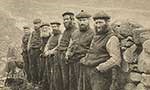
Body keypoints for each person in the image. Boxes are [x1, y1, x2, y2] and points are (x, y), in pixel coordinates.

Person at [80, 11, 121, 90]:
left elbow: (116, 59)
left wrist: (99, 68)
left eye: (100, 22)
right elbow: (93, 51)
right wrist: (85, 59)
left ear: (107, 23)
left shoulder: (112, 38)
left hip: (101, 75)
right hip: (89, 72)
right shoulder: (96, 36)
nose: (98, 25)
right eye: (96, 23)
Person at [65, 10, 94, 90]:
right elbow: (71, 45)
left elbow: (93, 49)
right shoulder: (75, 33)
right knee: (72, 83)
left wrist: (85, 59)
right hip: (73, 61)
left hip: (84, 63)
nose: (82, 23)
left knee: (82, 85)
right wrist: (68, 52)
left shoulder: (93, 33)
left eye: (84, 20)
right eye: (80, 20)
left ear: (89, 20)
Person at [54, 11, 76, 90]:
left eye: (67, 19)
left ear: (72, 19)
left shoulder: (75, 30)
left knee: (66, 77)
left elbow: (72, 44)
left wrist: (67, 54)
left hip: (66, 56)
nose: (65, 21)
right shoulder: (65, 31)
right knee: (58, 76)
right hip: (59, 55)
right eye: (64, 19)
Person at [44, 21, 62, 90]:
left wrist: (51, 52)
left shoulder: (60, 36)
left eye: (55, 27)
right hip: (48, 57)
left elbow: (58, 46)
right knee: (48, 73)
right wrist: (46, 51)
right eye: (52, 27)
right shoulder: (51, 36)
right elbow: (47, 44)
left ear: (58, 27)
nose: (54, 28)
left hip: (55, 57)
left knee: (55, 74)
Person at [27, 19, 42, 85]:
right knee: (32, 66)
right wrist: (29, 48)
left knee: (38, 66)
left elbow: (42, 42)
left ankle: (39, 81)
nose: (35, 25)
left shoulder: (42, 31)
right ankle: (34, 81)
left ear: (40, 24)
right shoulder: (33, 33)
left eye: (37, 24)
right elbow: (30, 41)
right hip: (32, 51)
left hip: (38, 51)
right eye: (34, 24)